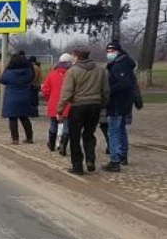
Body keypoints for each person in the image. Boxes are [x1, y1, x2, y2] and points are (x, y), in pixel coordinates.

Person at [57, 47, 110, 175]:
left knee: (75, 137)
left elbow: (67, 92)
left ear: (76, 57)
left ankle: (77, 166)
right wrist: (102, 103)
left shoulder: (73, 71)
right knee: (89, 134)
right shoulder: (100, 70)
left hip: (78, 106)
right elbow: (106, 90)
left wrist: (60, 109)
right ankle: (90, 160)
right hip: (95, 105)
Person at [105, 40, 138, 171]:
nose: (109, 53)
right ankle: (123, 154)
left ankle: (115, 159)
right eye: (108, 51)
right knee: (121, 129)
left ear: (118, 52)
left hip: (117, 102)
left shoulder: (119, 66)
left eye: (112, 51)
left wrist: (109, 91)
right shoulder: (124, 64)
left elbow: (122, 84)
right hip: (124, 102)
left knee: (114, 131)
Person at [0, 53, 36, 145]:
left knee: (12, 119)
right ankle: (29, 138)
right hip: (24, 97)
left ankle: (15, 139)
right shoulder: (28, 72)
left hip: (11, 98)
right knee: (25, 118)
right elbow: (32, 78)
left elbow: (2, 80)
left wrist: (6, 68)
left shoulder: (9, 72)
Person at [41, 54, 73, 155]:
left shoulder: (52, 74)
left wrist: (49, 99)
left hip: (54, 103)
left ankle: (51, 144)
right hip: (68, 103)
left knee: (53, 124)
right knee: (67, 125)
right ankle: (63, 146)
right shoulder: (73, 74)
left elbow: (45, 90)